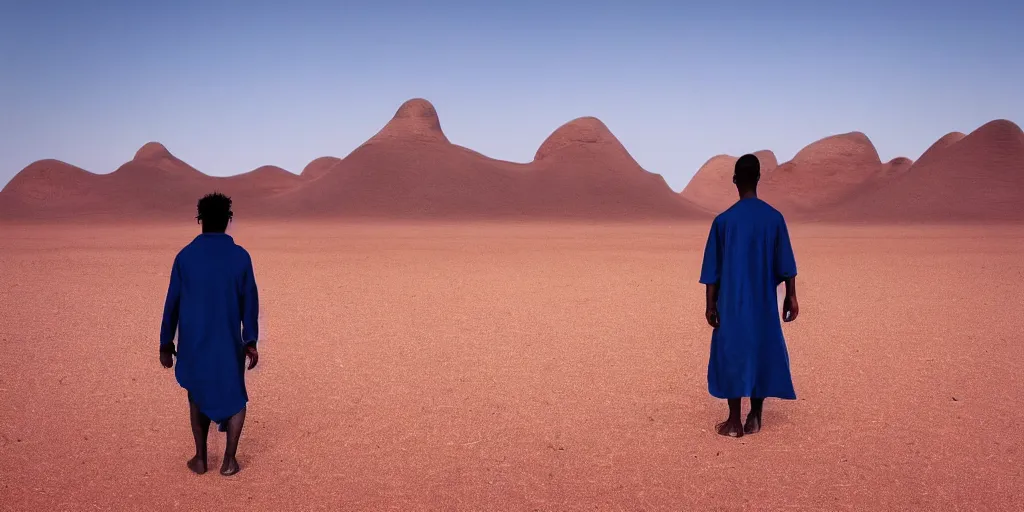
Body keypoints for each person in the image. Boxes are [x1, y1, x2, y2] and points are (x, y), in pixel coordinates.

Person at [698, 154, 799, 438]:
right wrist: (791, 297)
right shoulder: (774, 218)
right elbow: (787, 264)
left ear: (734, 181)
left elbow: (712, 269)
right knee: (760, 347)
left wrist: (710, 305)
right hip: (763, 302)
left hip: (731, 302)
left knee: (732, 351)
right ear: (757, 178)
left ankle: (734, 421)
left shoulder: (723, 221)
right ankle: (755, 413)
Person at [159, 192, 260, 475]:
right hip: (228, 340)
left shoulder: (185, 256)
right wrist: (250, 340)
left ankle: (201, 458)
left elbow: (172, 303)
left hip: (194, 341)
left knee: (196, 392)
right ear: (228, 220)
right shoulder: (240, 257)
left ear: (200, 220)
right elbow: (249, 302)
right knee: (236, 395)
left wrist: (165, 343)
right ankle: (229, 461)